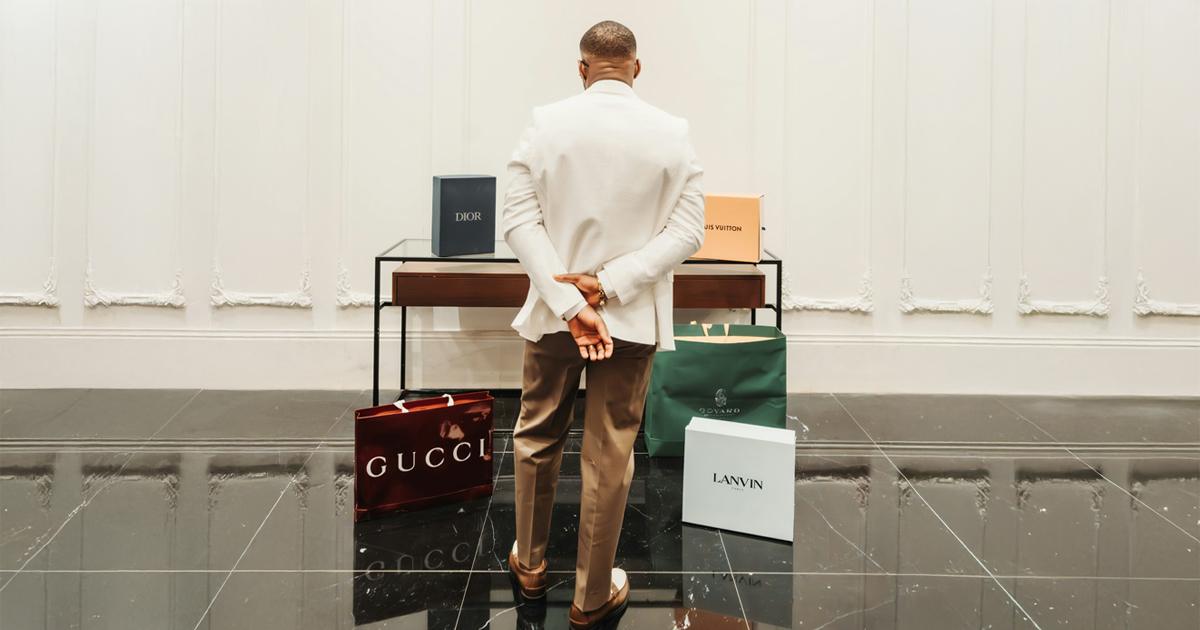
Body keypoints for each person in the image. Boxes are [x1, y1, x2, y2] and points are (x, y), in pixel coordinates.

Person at [500, 19, 706, 629]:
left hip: (555, 314)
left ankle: (530, 565)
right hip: (631, 318)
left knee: (536, 434)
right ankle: (592, 597)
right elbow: (688, 233)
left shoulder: (545, 123)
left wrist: (571, 303)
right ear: (636, 68)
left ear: (582, 68)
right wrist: (611, 284)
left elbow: (518, 223)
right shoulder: (673, 134)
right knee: (611, 451)